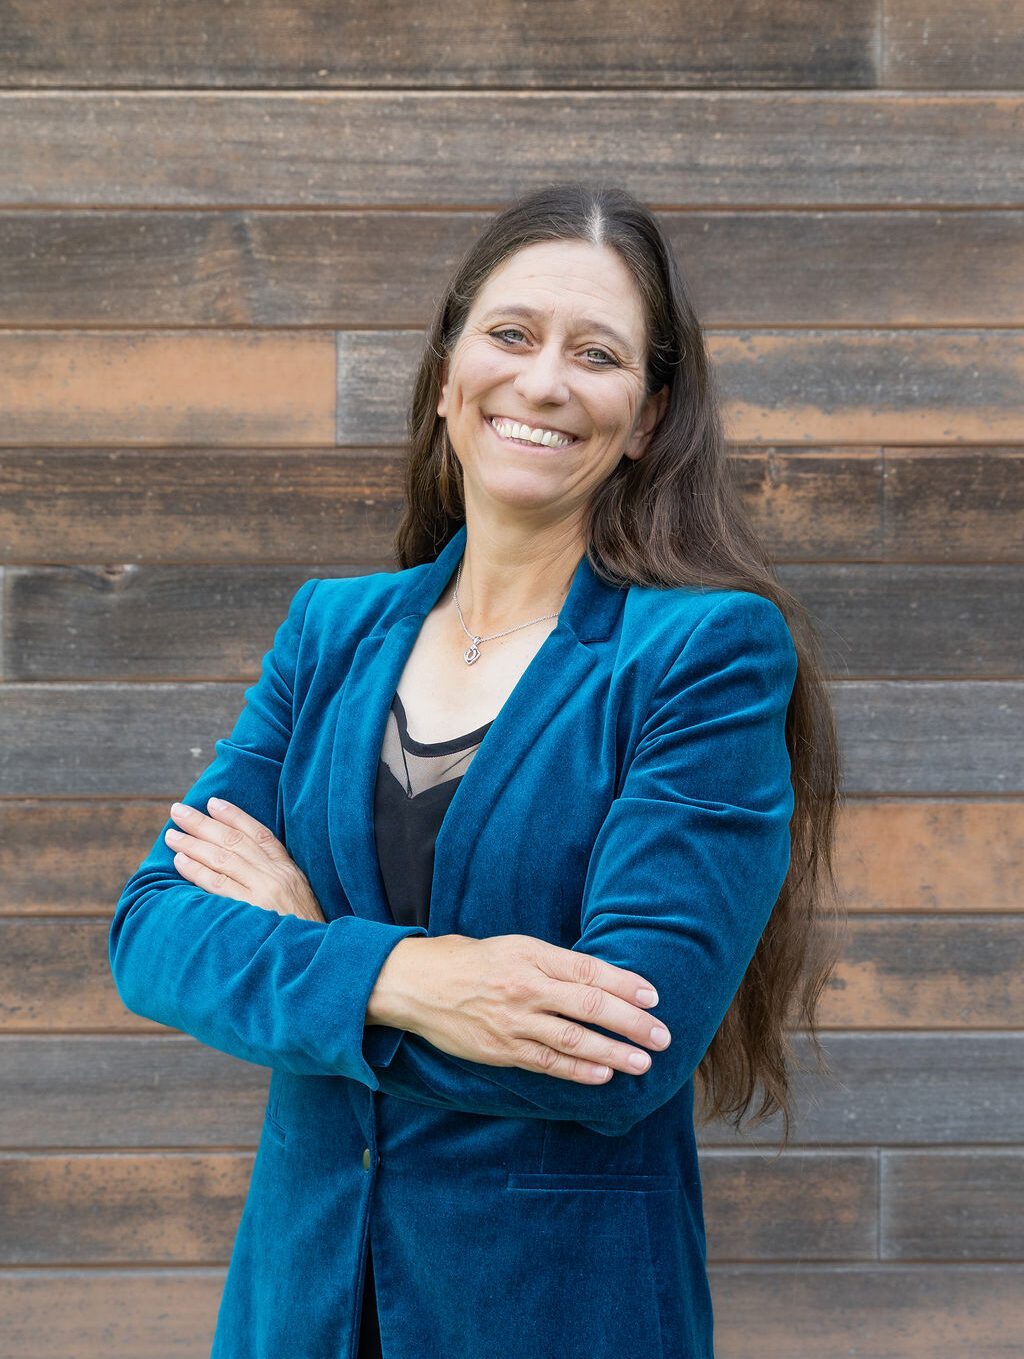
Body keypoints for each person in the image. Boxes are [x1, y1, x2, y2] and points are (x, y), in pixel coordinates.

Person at [109, 183, 840, 1359]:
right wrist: (409, 977)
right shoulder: (329, 632)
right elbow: (151, 933)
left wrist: (308, 953)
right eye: (510, 335)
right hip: (299, 1303)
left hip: (553, 1312)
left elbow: (616, 1053)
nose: (543, 382)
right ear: (448, 372)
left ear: (647, 417)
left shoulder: (702, 656)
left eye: (595, 354)